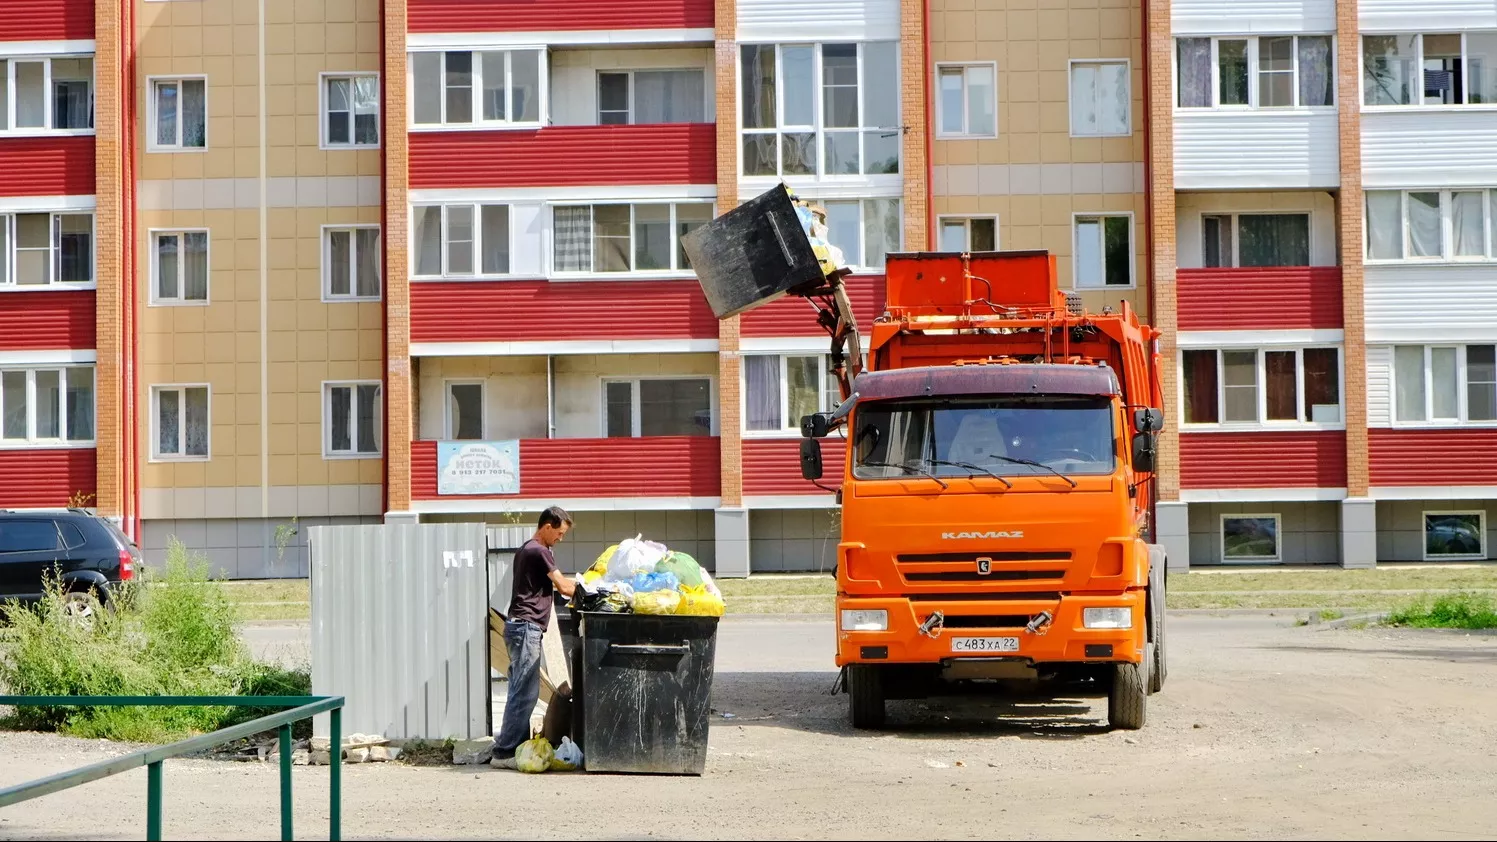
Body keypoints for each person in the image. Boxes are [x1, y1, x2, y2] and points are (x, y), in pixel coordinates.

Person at [490, 506, 576, 770]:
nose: (560, 539)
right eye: (559, 533)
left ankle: (508, 747)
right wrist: (590, 587)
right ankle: (504, 753)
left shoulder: (529, 549)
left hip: (521, 627)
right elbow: (563, 586)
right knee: (523, 693)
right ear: (547, 526)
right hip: (526, 628)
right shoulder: (538, 551)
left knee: (522, 690)